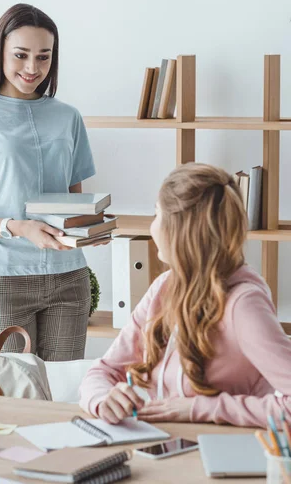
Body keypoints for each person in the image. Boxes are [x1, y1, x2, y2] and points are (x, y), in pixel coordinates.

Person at [0, 3, 98, 360]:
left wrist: (91, 229)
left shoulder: (68, 117)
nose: (32, 68)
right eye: (21, 55)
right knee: (10, 399)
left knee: (60, 395)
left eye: (43, 57)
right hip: (1, 280)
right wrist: (17, 227)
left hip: (69, 278)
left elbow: (74, 205)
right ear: (0, 53)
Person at [79, 162, 291, 428]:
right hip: (169, 450)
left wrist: (202, 408)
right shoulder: (165, 287)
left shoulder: (244, 305)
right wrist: (103, 398)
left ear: (181, 233)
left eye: (156, 216)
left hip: (222, 458)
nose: (153, 227)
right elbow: (103, 371)